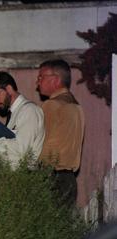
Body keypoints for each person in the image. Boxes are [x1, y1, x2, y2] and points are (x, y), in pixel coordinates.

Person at [0, 71, 45, 170]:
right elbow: (7, 154)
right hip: (12, 177)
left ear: (9, 89)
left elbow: (21, 149)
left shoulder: (29, 110)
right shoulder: (13, 113)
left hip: (26, 177)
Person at [36, 59, 85, 206]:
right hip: (69, 179)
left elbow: (39, 143)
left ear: (55, 80)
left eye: (41, 77)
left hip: (51, 177)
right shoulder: (76, 106)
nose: (37, 82)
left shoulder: (51, 105)